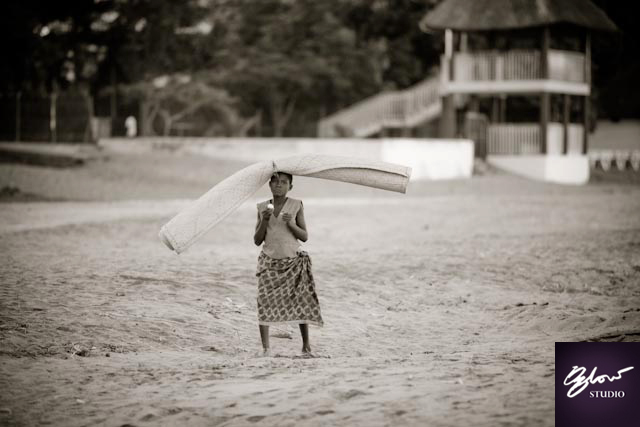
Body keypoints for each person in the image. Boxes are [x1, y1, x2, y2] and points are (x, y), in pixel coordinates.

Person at [253, 172, 323, 357]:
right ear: (269, 185)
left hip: (292, 261)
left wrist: (291, 223)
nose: (279, 185)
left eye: (284, 182)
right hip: (269, 260)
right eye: (275, 182)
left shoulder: (296, 205)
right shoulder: (262, 207)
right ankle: (266, 348)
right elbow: (257, 240)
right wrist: (265, 220)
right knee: (264, 301)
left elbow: (304, 236)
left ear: (290, 187)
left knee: (301, 301)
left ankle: (306, 346)